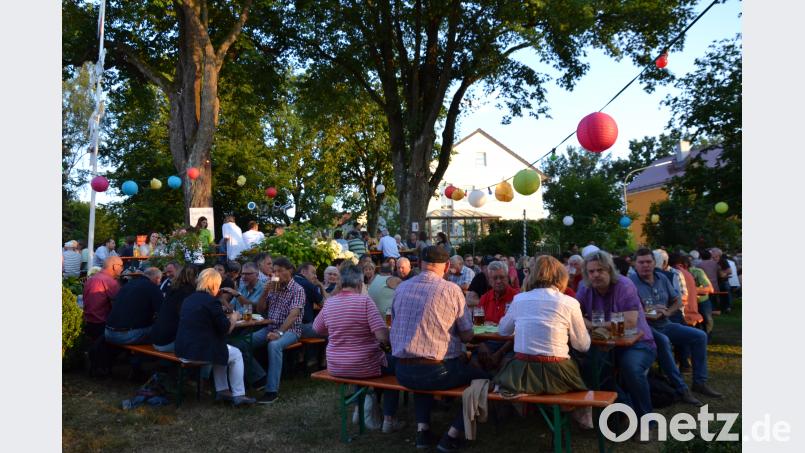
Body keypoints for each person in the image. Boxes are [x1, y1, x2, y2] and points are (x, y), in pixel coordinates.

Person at [391, 246, 489, 451]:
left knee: (421, 372)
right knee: (484, 379)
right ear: (446, 267)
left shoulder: (401, 288)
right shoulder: (451, 290)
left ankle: (423, 431)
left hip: (402, 371)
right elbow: (467, 334)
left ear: (419, 264)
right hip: (438, 372)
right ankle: (452, 435)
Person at [313, 264, 404, 433]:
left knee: (360, 363)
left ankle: (359, 408)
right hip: (364, 364)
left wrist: (336, 328)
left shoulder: (330, 303)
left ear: (341, 283)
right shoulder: (365, 301)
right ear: (360, 284)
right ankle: (389, 419)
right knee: (398, 368)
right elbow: (382, 337)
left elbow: (317, 329)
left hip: (335, 365)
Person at [630, 248, 722, 400]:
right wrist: (650, 311)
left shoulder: (662, 278)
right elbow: (629, 310)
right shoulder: (630, 283)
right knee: (663, 341)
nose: (645, 265)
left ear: (654, 263)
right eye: (641, 262)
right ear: (635, 264)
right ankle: (681, 388)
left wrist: (667, 312)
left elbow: (677, 300)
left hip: (666, 323)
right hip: (645, 329)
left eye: (648, 261)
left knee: (700, 335)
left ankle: (700, 382)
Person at [494, 255, 590, 400]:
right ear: (561, 276)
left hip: (521, 374)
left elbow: (503, 330)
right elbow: (582, 346)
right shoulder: (569, 302)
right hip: (558, 374)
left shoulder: (519, 299)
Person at [575, 250, 657, 420]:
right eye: (591, 271)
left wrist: (593, 324)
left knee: (631, 368)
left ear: (610, 271)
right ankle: (627, 409)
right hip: (603, 344)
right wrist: (586, 322)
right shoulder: (584, 287)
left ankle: (646, 421)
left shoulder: (624, 285)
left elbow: (629, 321)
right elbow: (574, 314)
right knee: (591, 369)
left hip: (638, 342)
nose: (596, 275)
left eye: (600, 270)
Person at [174, 268, 255, 407]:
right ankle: (239, 395)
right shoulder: (211, 301)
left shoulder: (189, 299)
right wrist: (234, 317)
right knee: (235, 354)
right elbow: (226, 330)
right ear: (213, 285)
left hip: (183, 349)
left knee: (222, 349)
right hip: (197, 351)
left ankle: (222, 391)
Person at [239, 257, 306, 404]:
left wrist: (279, 333)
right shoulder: (273, 287)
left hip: (290, 330)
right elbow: (261, 309)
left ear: (289, 271)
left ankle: (271, 391)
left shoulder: (298, 289)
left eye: (280, 271)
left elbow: (294, 315)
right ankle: (260, 377)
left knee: (274, 345)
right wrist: (264, 292)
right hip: (270, 327)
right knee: (242, 343)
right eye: (274, 271)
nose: (276, 274)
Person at [476, 261, 518, 371]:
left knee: (505, 364)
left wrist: (500, 353)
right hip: (488, 342)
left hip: (510, 344)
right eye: (495, 278)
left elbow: (519, 332)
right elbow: (477, 326)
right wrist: (481, 345)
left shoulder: (517, 298)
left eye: (502, 277)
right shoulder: (484, 298)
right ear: (489, 280)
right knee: (474, 364)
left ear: (508, 278)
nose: (498, 281)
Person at [105, 267, 164, 345]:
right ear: (157, 279)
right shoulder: (153, 287)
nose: (159, 283)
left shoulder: (128, 284)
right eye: (160, 280)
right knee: (162, 329)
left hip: (107, 332)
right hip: (125, 335)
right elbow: (163, 312)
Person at [151, 265, 198, 352]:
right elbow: (187, 318)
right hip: (167, 343)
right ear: (195, 277)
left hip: (155, 340)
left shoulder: (172, 288)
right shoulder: (189, 292)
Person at [83, 255, 124, 340]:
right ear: (115, 266)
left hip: (88, 323)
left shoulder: (91, 279)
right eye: (121, 266)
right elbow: (119, 308)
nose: (122, 269)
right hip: (102, 326)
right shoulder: (111, 282)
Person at [295, 262, 327, 338]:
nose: (315, 276)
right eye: (313, 273)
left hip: (285, 326)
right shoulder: (308, 285)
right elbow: (325, 305)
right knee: (332, 330)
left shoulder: (291, 280)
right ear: (303, 272)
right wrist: (321, 286)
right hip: (302, 327)